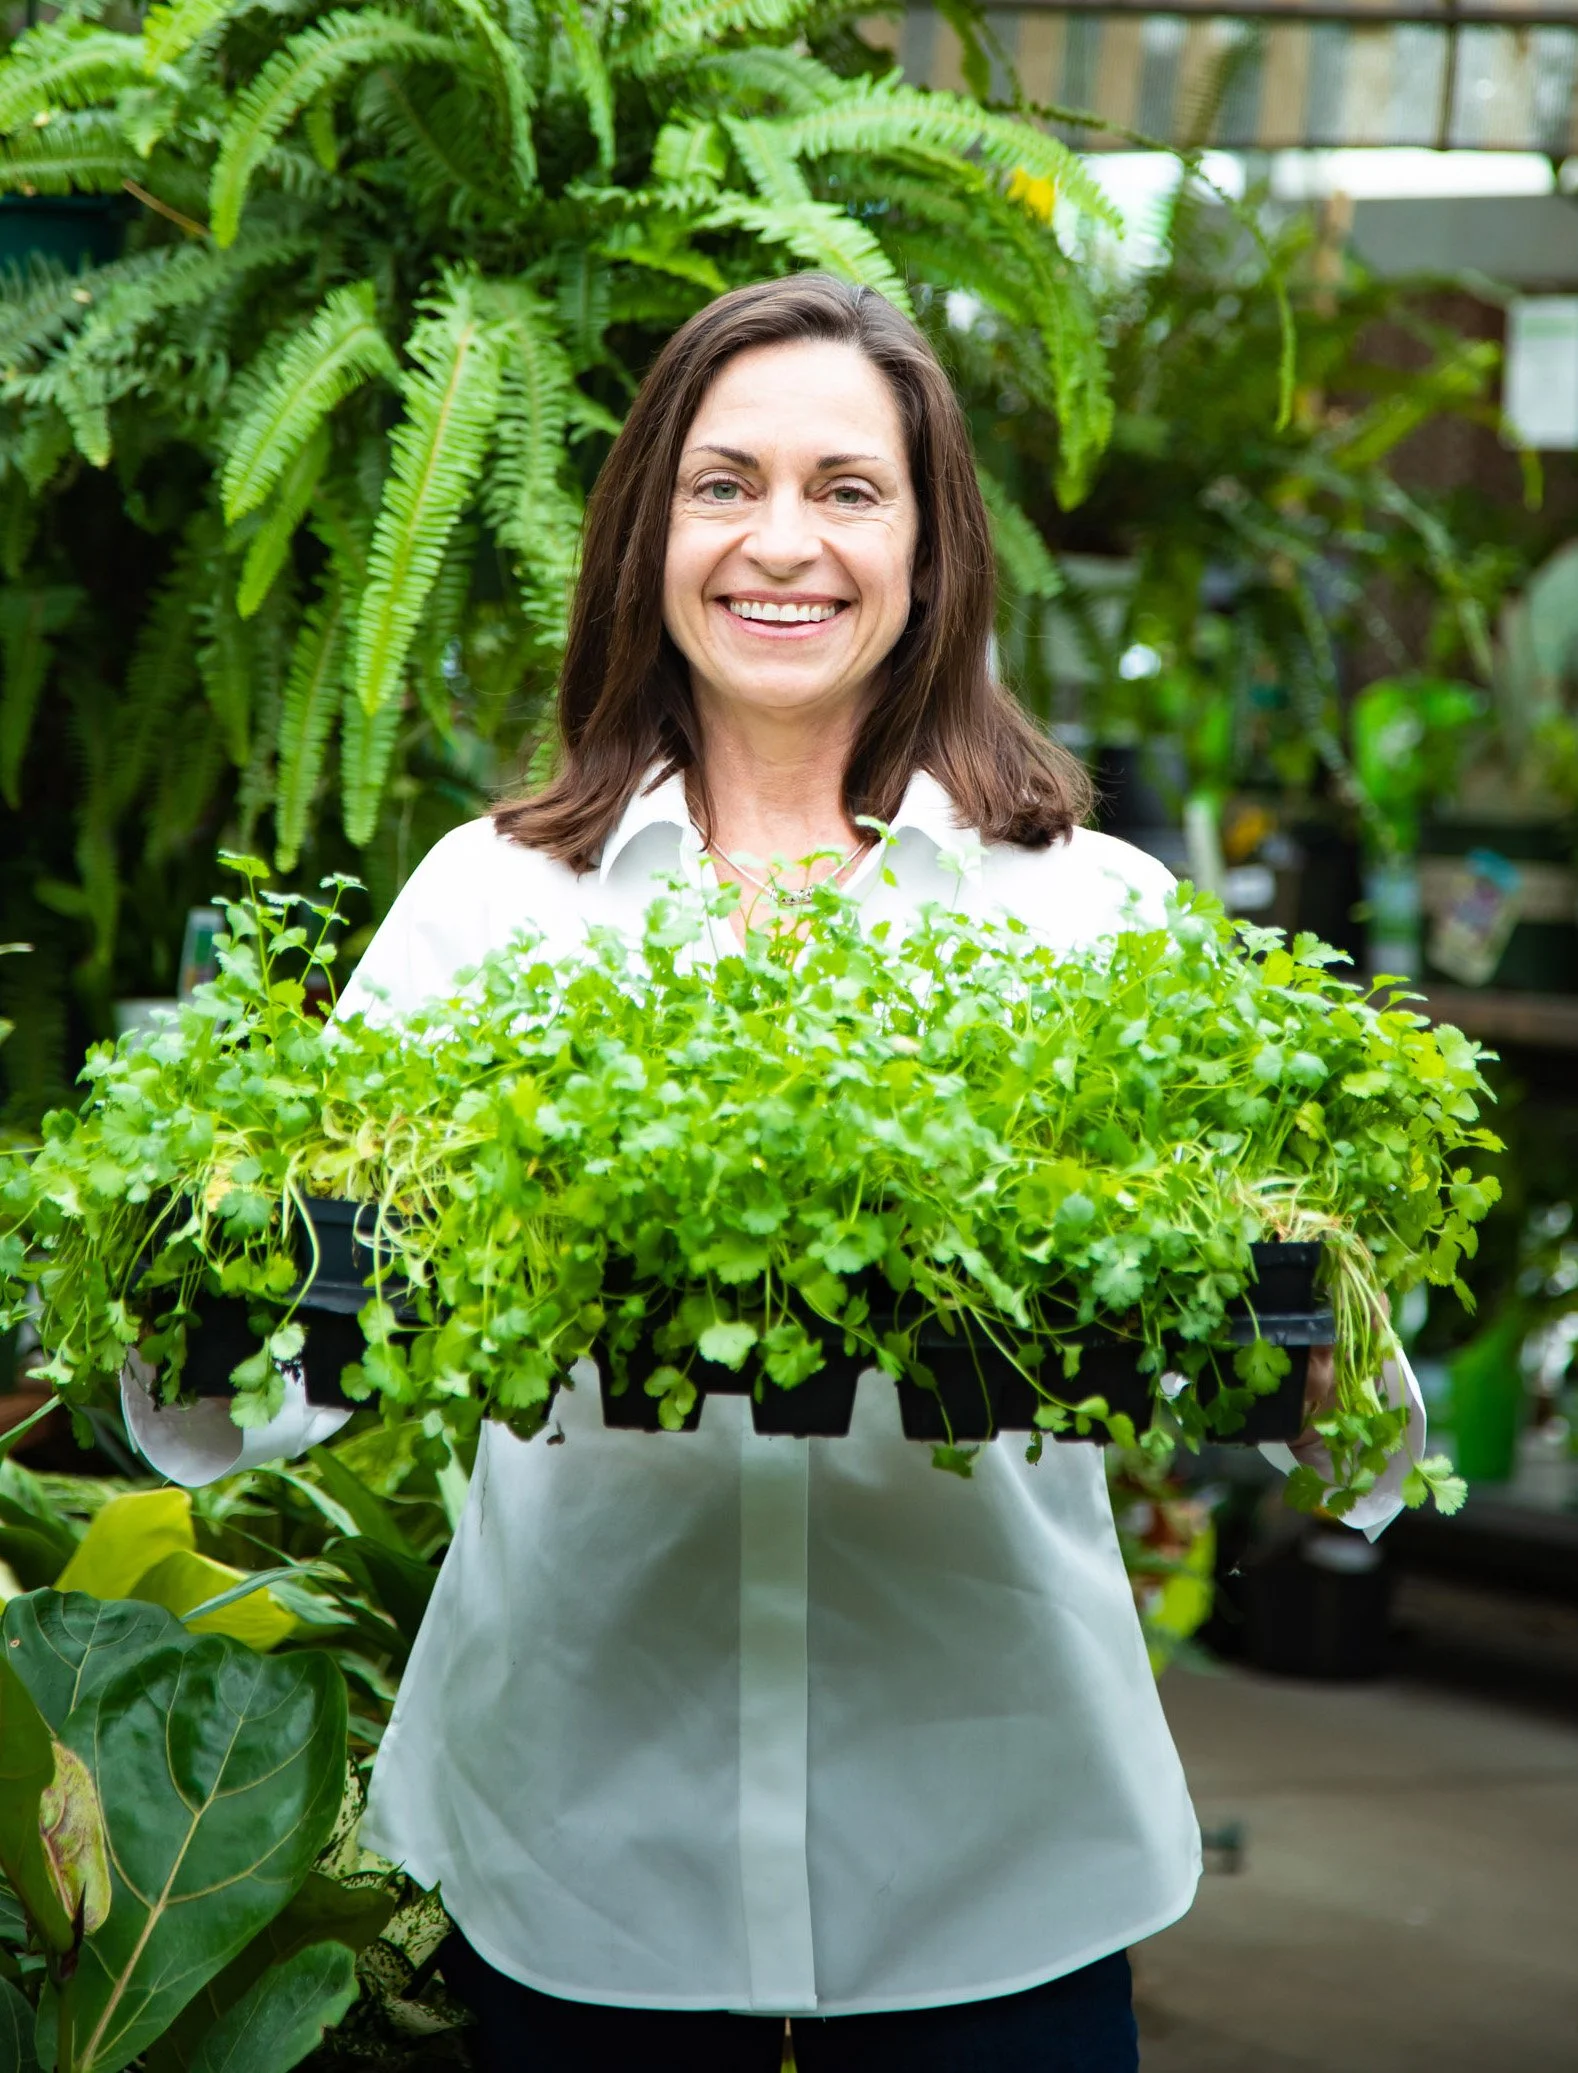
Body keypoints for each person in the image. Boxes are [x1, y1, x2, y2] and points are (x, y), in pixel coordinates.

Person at [131, 274, 1420, 2070]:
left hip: (995, 1856)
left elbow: (1313, 1364)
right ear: (646, 531)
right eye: (723, 485)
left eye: (846, 488)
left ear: (928, 541)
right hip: (579, 1859)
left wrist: (1311, 1351)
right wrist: (197, 1297)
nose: (781, 544)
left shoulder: (1087, 912)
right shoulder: (496, 902)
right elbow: (275, 1376)